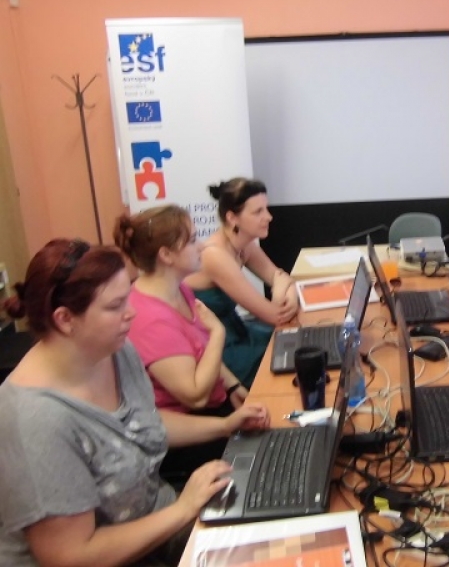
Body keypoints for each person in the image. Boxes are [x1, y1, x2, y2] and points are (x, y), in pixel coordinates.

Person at [0, 239, 270, 566]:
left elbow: (140, 424)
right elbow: (71, 556)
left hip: (157, 528)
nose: (132, 313)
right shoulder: (35, 420)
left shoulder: (115, 351)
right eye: (115, 306)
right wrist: (183, 508)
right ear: (65, 319)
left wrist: (225, 426)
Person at [114, 205, 250, 481]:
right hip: (188, 434)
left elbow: (201, 350)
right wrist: (218, 333)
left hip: (211, 411)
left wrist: (233, 385)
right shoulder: (149, 320)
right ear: (166, 255)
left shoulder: (179, 288)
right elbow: (195, 395)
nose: (202, 246)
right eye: (192, 241)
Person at [184, 178, 299, 388]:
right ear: (232, 218)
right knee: (294, 357)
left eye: (266, 209)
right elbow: (275, 316)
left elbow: (281, 277)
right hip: (219, 349)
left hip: (240, 331)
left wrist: (286, 290)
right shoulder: (215, 255)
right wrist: (281, 291)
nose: (269, 217)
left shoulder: (244, 244)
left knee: (300, 346)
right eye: (258, 212)